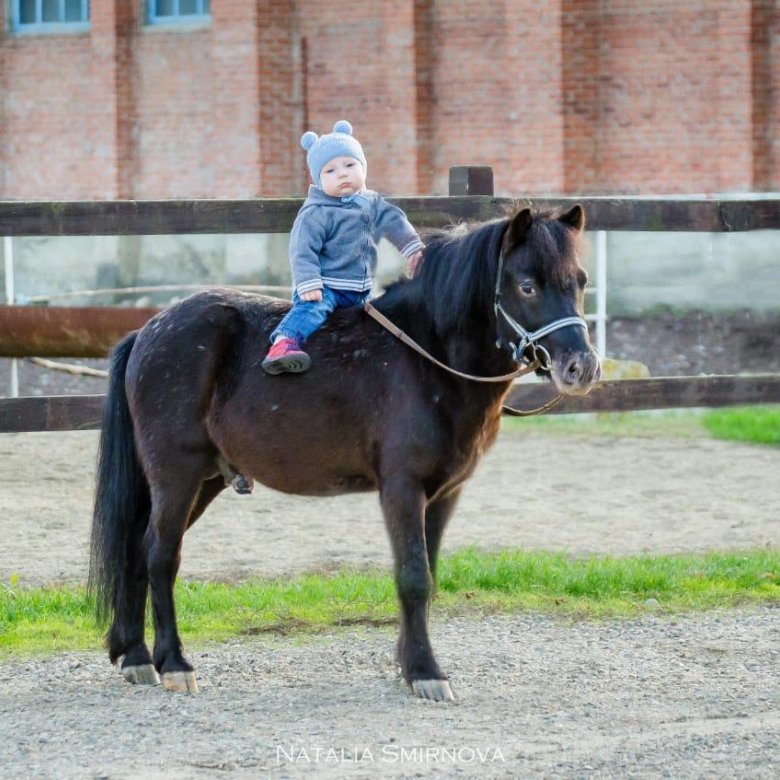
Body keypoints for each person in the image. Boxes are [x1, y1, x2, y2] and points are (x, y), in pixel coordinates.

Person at [261, 120, 424, 374]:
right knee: (313, 311)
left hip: (362, 289)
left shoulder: (371, 203)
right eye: (331, 171)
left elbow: (395, 221)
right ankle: (284, 343)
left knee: (378, 322)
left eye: (350, 165)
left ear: (362, 168)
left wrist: (411, 247)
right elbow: (302, 250)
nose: (343, 173)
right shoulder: (316, 212)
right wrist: (308, 281)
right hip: (326, 286)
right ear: (318, 179)